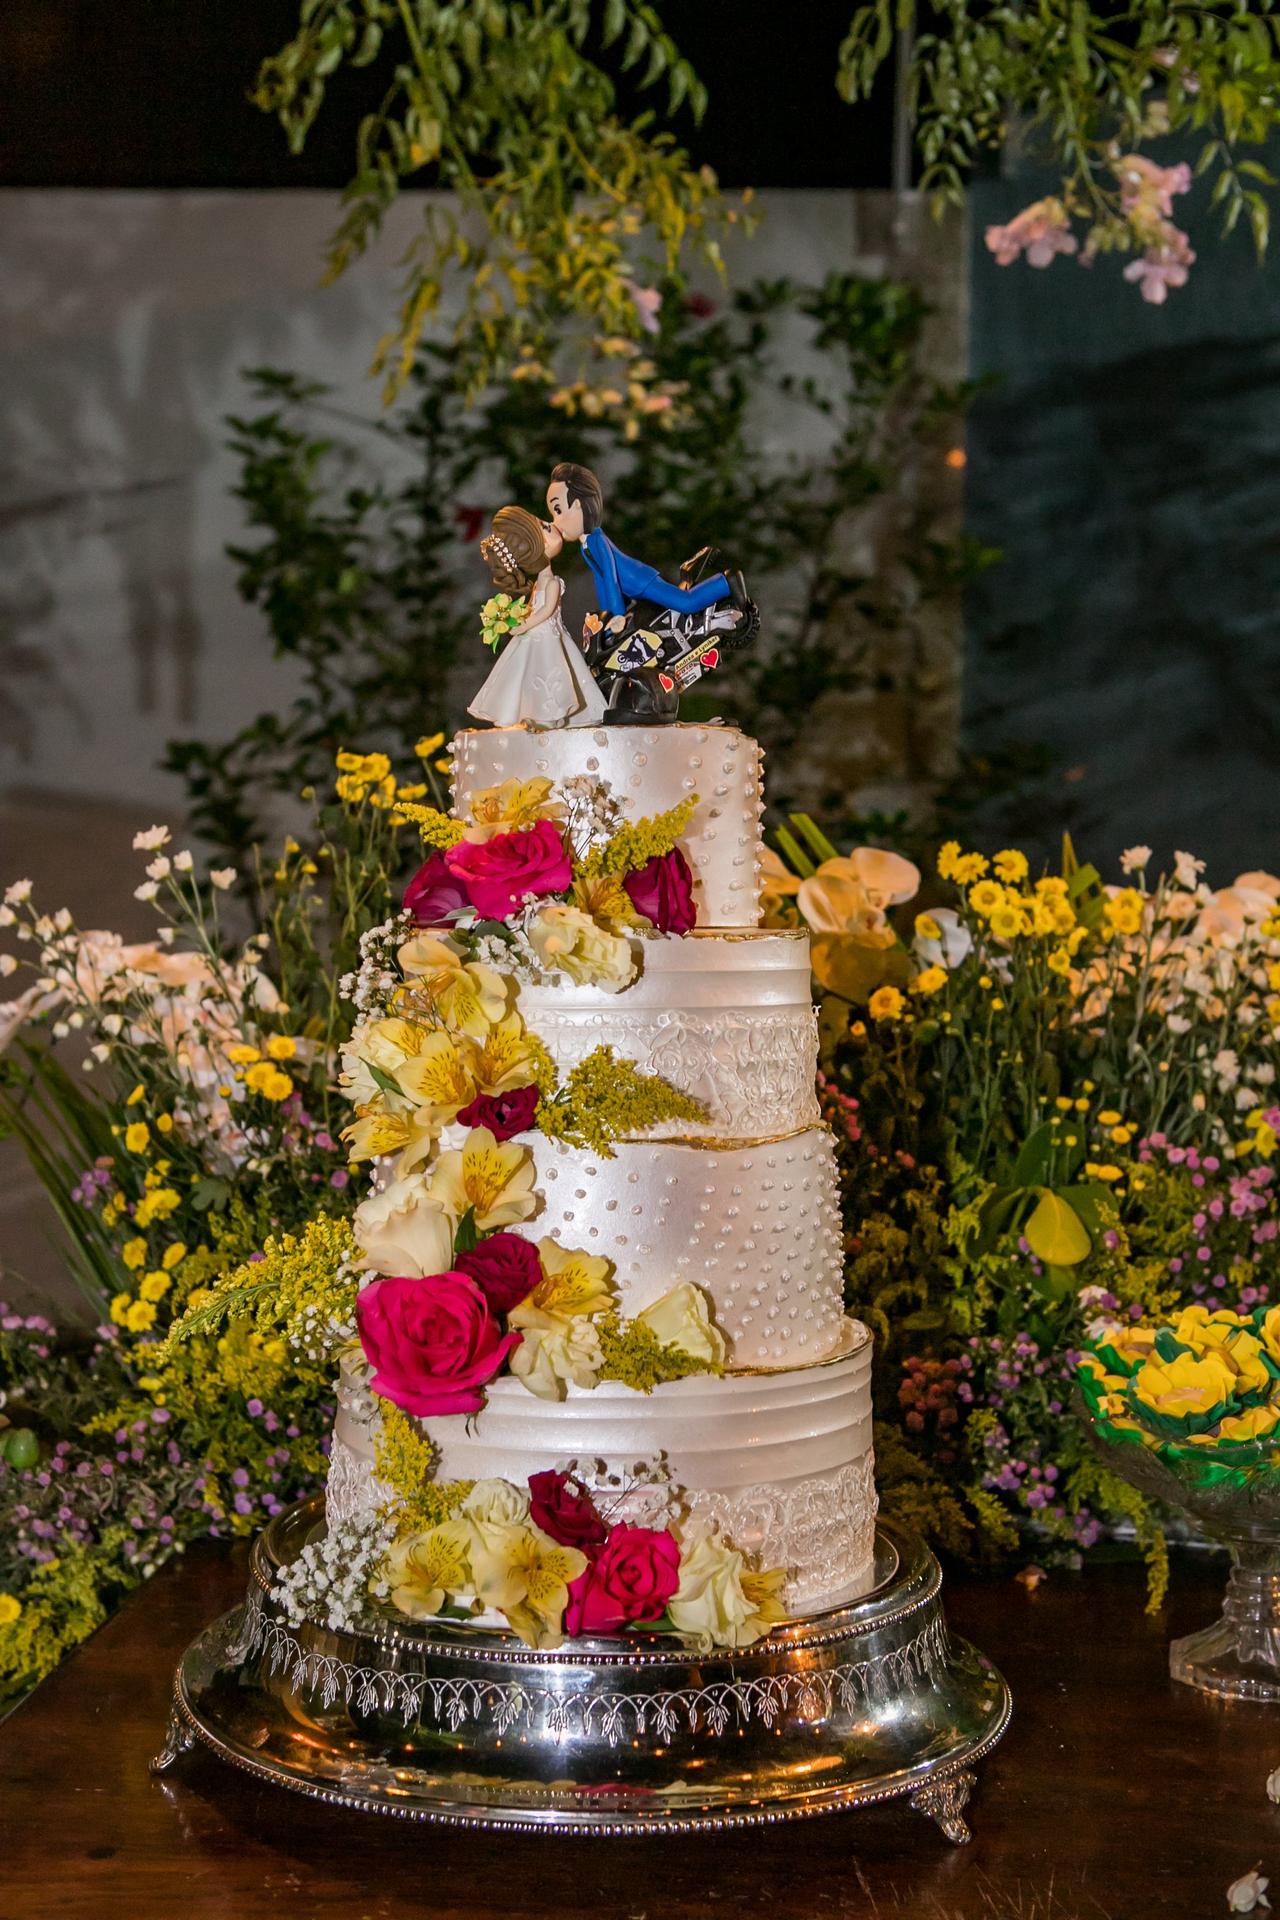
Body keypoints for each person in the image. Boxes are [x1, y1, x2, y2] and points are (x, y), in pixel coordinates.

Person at [545, 462, 751, 621]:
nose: (556, 522)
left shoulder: (596, 540)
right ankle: (690, 573)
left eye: (559, 510)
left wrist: (617, 617)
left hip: (641, 582)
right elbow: (601, 581)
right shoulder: (586, 546)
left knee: (685, 604)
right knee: (667, 612)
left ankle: (726, 581)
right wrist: (606, 614)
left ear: (579, 505)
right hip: (635, 589)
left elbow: (611, 578)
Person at [469, 506, 606, 729]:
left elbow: (547, 611)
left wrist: (523, 624)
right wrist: (515, 620)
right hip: (540, 638)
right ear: (540, 549)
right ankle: (534, 714)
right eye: (544, 527)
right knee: (531, 675)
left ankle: (553, 715)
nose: (550, 523)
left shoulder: (552, 583)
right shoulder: (543, 584)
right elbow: (538, 609)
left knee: (549, 675)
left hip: (548, 637)